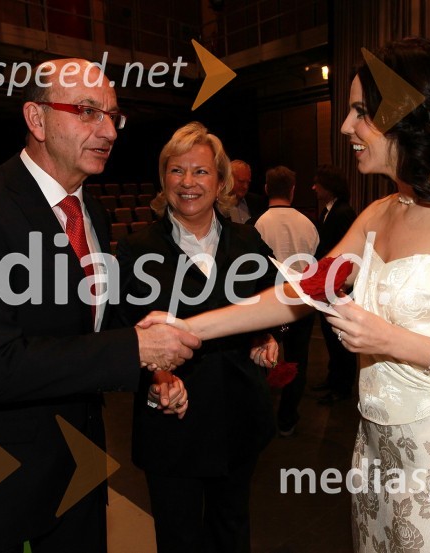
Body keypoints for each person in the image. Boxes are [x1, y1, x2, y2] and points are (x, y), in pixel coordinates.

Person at [141, 37, 430, 552]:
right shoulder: (379, 215)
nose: (345, 126)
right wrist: (185, 328)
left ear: (407, 114)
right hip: (374, 448)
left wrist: (393, 340)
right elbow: (296, 294)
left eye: (360, 111)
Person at [0, 58, 200, 552]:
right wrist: (136, 351)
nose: (108, 129)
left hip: (76, 473)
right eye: (87, 111)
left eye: (113, 116)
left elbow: (85, 330)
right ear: (36, 119)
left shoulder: (93, 214)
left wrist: (153, 370)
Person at [117, 122, 278, 553]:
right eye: (176, 170)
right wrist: (157, 375)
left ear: (222, 181)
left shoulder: (249, 240)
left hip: (239, 417)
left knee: (232, 529)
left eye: (201, 172)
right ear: (163, 177)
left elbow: (277, 299)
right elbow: (125, 331)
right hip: (172, 423)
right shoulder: (136, 248)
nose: (188, 182)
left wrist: (266, 333)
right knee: (179, 538)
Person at [254, 165, 319, 436]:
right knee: (298, 359)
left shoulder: (259, 224)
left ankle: (263, 417)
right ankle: (287, 417)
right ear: (293, 190)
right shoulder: (308, 224)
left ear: (267, 189)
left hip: (270, 303)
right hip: (302, 302)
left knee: (263, 357)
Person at [310, 164, 358, 405]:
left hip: (338, 286)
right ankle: (333, 378)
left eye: (318, 183)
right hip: (328, 284)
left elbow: (346, 255)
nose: (314, 188)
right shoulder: (328, 211)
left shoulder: (343, 212)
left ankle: (342, 387)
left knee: (340, 338)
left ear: (329, 186)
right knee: (330, 336)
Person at [228, 159, 267, 224]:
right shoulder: (217, 204)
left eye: (248, 182)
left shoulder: (257, 202)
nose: (245, 186)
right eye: (241, 181)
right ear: (229, 179)